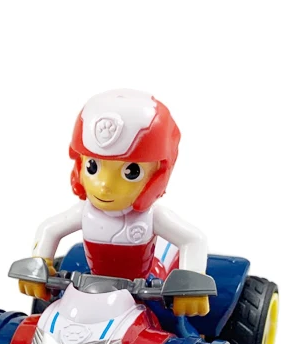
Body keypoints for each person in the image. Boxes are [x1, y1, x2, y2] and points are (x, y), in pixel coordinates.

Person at [19, 89, 209, 316]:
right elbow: (49, 229)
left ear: (157, 174)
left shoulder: (152, 217)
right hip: (91, 288)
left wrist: (190, 283)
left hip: (148, 289)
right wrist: (39, 264)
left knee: (172, 320)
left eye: (131, 172)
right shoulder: (84, 212)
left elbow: (193, 239)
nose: (104, 185)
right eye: (92, 167)